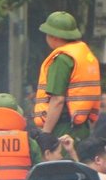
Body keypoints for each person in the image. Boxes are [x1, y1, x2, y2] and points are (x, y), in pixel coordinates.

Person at [32, 11, 102, 148]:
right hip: (81, 128)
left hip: (63, 128)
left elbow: (57, 100)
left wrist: (46, 133)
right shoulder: (85, 55)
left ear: (53, 37)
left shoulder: (62, 60)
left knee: (61, 167)